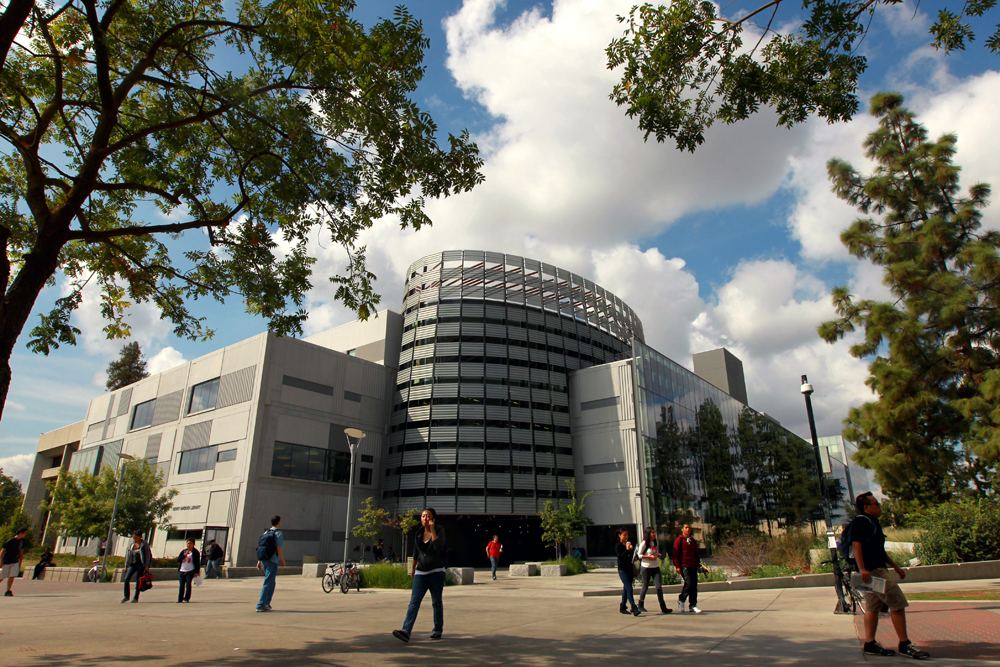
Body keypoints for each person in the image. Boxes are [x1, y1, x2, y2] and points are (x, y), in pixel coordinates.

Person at [852, 492, 930, 659]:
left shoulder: (873, 523)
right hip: (873, 572)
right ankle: (904, 644)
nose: (879, 506)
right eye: (876, 504)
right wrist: (863, 569)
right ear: (867, 507)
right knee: (897, 602)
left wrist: (895, 566)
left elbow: (879, 550)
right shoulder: (862, 521)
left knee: (873, 606)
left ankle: (870, 643)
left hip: (876, 570)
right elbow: (856, 545)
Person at [393, 508, 447, 642]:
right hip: (420, 572)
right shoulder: (418, 533)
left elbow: (437, 547)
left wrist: (432, 530)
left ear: (433, 518)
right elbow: (415, 552)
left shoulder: (440, 530)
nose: (424, 518)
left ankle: (437, 630)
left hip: (436, 571)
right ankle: (406, 631)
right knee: (414, 602)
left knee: (436, 602)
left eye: (427, 516)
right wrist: (413, 569)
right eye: (423, 516)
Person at [636, 526, 671, 614]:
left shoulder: (655, 543)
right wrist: (648, 557)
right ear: (648, 534)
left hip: (655, 567)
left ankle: (663, 607)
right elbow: (639, 555)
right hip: (646, 567)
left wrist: (657, 555)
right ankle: (640, 604)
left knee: (658, 587)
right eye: (652, 532)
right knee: (645, 586)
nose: (654, 534)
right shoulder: (644, 543)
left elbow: (655, 552)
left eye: (655, 532)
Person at [256, 515, 285, 612]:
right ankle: (261, 604)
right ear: (279, 522)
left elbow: (261, 546)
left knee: (271, 582)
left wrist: (259, 561)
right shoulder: (278, 533)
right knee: (268, 582)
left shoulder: (266, 532)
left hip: (264, 559)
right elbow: (279, 548)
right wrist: (283, 560)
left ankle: (267, 603)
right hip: (272, 560)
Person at [673, 524, 701, 613]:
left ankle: (693, 605)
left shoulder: (692, 541)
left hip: (693, 565)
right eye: (686, 528)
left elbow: (696, 553)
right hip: (684, 566)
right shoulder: (679, 540)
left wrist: (698, 564)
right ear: (682, 529)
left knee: (693, 586)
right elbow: (675, 554)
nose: (688, 529)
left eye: (689, 528)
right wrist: (677, 566)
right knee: (688, 583)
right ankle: (681, 599)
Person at [615, 527, 641, 616]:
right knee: (629, 587)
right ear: (619, 536)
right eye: (624, 535)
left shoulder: (629, 544)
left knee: (626, 588)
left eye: (627, 535)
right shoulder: (618, 546)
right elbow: (620, 557)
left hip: (630, 568)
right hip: (622, 570)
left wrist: (634, 557)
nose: (626, 537)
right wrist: (627, 550)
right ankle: (634, 607)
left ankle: (622, 606)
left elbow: (631, 556)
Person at [122, 531, 152, 603]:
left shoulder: (144, 544)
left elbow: (148, 555)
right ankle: (126, 596)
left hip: (141, 565)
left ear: (140, 537)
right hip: (133, 564)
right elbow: (128, 556)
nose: (134, 539)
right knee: (126, 579)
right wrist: (126, 566)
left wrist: (147, 565)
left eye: (136, 538)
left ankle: (136, 597)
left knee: (138, 580)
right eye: (133, 538)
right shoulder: (132, 545)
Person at [1, 526, 28, 597]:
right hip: (7, 561)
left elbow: (21, 551)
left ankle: (8, 591)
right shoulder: (11, 540)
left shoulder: (22, 541)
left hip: (15, 561)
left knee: (12, 576)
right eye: (25, 533)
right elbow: (2, 551)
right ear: (20, 533)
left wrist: (20, 561)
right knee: (2, 577)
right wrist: (0, 561)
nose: (26, 534)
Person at [177, 539, 201, 603]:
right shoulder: (184, 551)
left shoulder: (195, 552)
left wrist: (196, 572)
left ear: (193, 544)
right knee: (181, 585)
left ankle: (186, 599)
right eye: (188, 543)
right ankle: (180, 598)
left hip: (190, 570)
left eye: (190, 543)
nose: (189, 545)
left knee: (188, 585)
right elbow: (178, 560)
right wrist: (184, 555)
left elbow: (197, 563)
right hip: (182, 570)